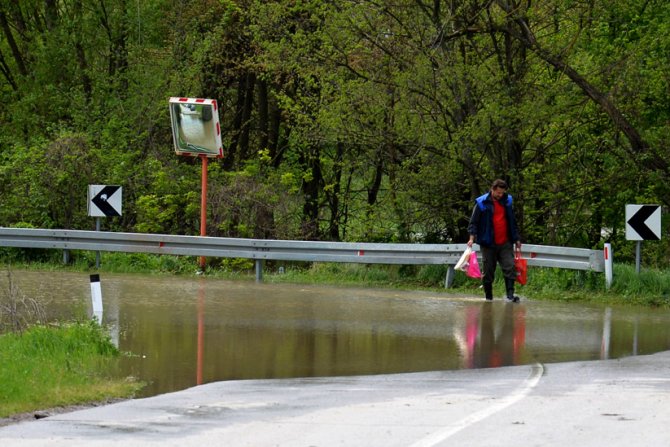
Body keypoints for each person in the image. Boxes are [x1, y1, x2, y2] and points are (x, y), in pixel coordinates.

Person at [467, 179, 522, 302]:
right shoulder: (481, 203)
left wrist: (517, 238)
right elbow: (473, 222)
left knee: (510, 267)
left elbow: (513, 221)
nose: (500, 195)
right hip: (488, 243)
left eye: (502, 193)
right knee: (488, 272)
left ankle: (510, 296)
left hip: (505, 242)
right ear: (492, 189)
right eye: (498, 193)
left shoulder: (507, 202)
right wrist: (471, 238)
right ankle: (489, 298)